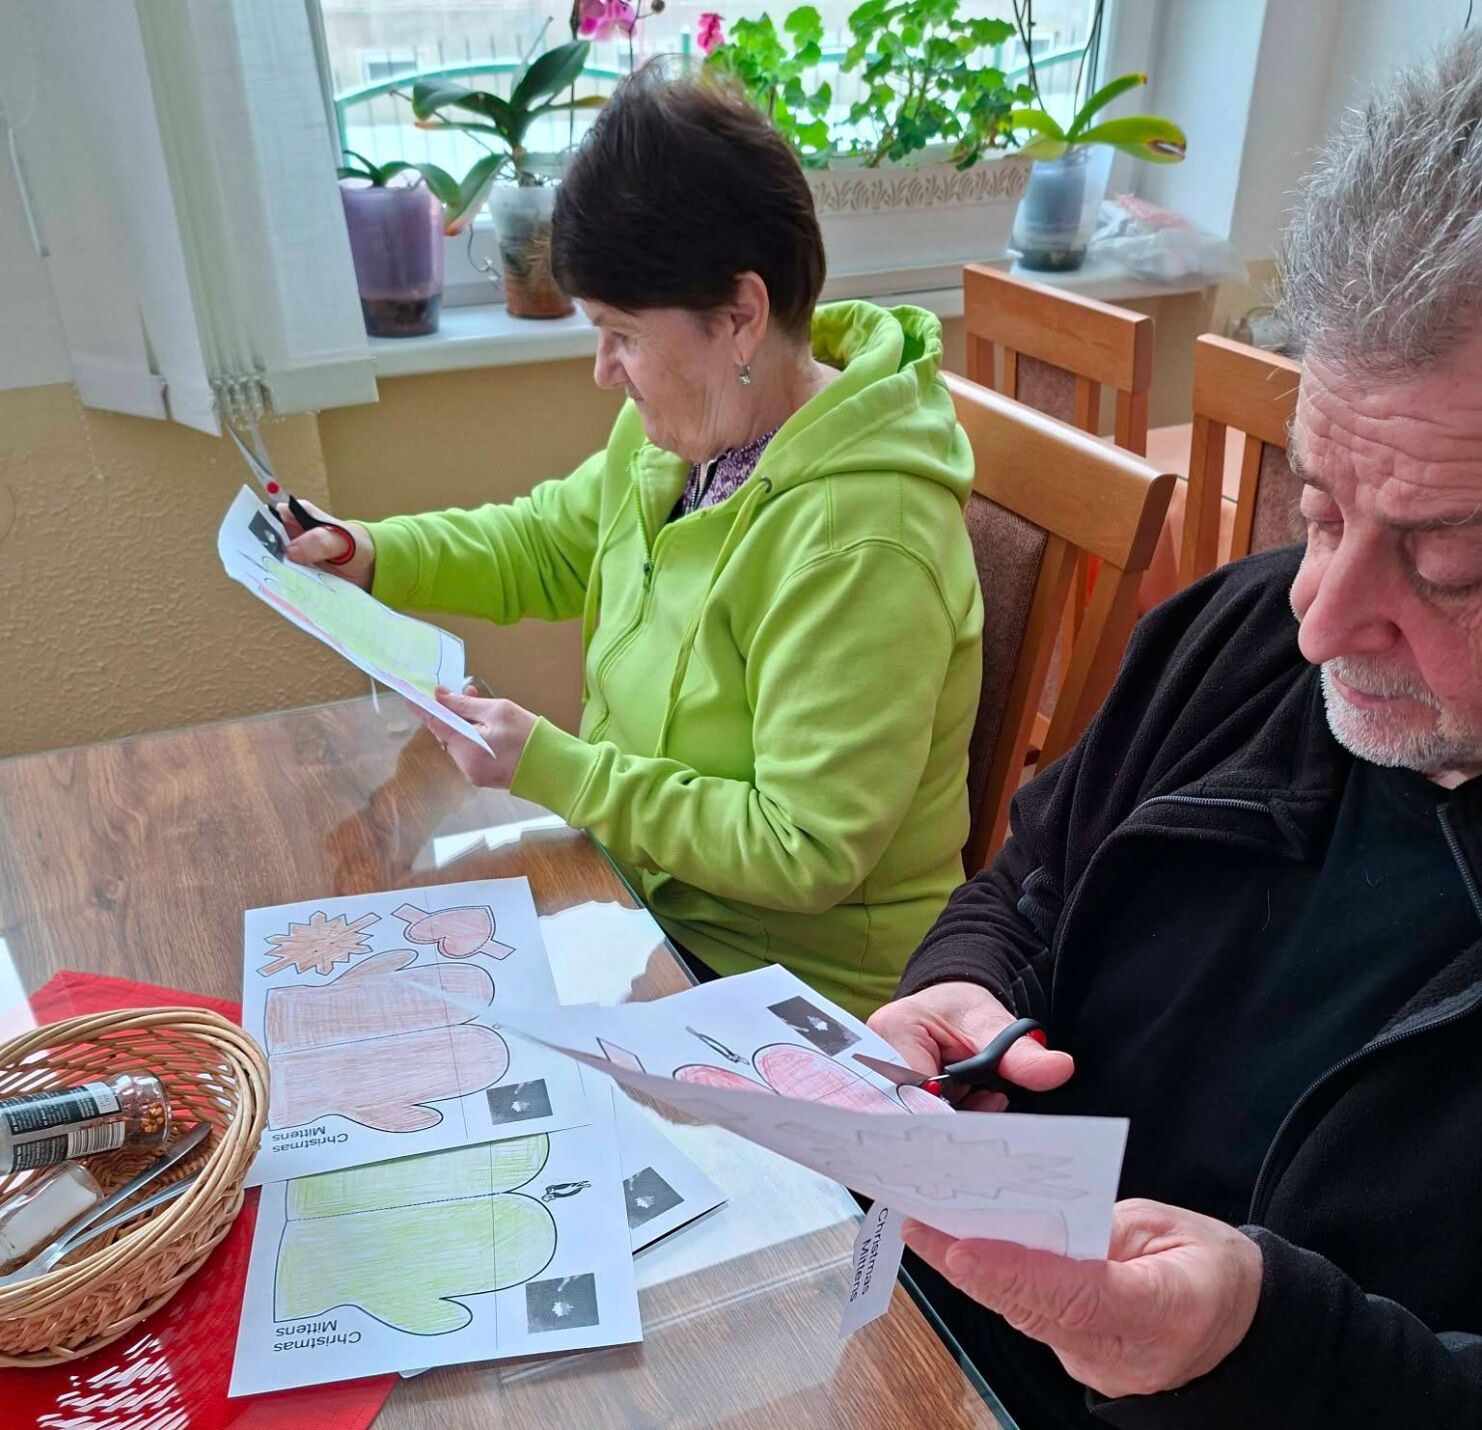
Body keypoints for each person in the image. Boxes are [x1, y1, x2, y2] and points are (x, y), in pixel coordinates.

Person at [870, 33, 1482, 1428]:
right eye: (1317, 506)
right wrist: (963, 989)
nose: (1321, 621)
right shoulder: (1234, 634)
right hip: (957, 1362)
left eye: (1446, 566)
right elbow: (1029, 876)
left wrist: (1267, 1341)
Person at [280, 69, 982, 1020]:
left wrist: (553, 766)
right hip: (643, 909)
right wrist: (372, 552)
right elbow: (545, 544)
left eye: (621, 335)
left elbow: (804, 848)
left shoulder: (861, 544)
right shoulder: (683, 440)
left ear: (740, 317)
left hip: (793, 994)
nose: (603, 370)